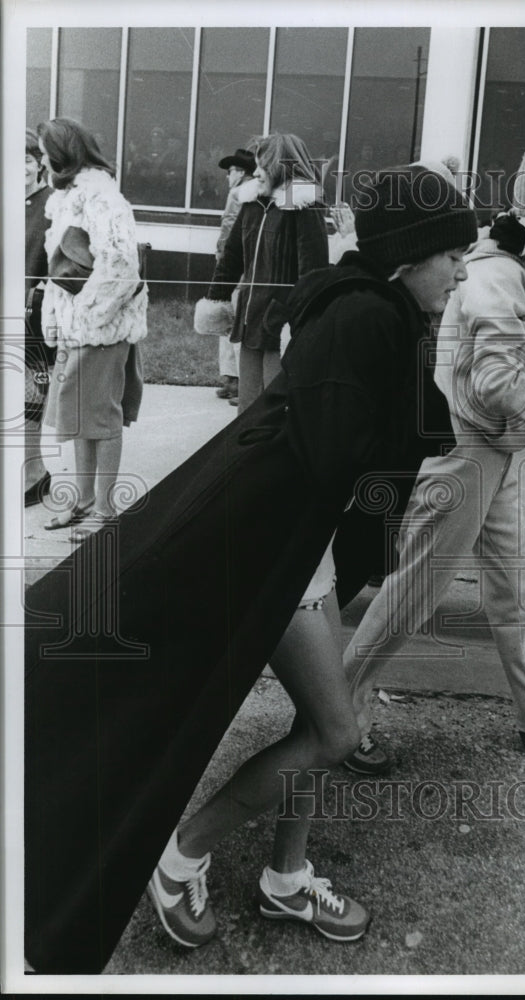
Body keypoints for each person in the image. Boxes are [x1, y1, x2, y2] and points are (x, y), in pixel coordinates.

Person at [24, 165, 477, 972]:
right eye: (452, 254)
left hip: (305, 551)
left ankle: (286, 874)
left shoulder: (368, 305)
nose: (462, 270)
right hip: (285, 557)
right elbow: (337, 452)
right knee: (335, 731)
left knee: (321, 720)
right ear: (410, 257)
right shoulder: (369, 317)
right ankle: (185, 854)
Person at [343, 132, 525, 775]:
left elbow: (494, 361)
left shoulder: (512, 264)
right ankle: (336, 718)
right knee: (414, 595)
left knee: (516, 586)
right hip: (465, 455)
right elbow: (493, 381)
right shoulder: (499, 271)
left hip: (490, 449)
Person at [37, 117, 146, 539]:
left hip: (101, 328)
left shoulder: (101, 196)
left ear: (61, 153)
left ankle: (104, 509)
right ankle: (84, 502)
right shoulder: (69, 196)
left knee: (100, 417)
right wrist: (64, 317)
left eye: (45, 151)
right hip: (78, 324)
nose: (41, 158)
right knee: (80, 416)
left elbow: (121, 264)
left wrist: (89, 315)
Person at [197, 132, 329, 412]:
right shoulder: (252, 203)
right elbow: (232, 258)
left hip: (282, 325)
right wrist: (215, 300)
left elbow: (313, 272)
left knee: (275, 409)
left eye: (261, 165)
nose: (255, 172)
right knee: (247, 408)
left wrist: (303, 325)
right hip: (251, 319)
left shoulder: (305, 205)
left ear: (280, 166)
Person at [24, 127, 55, 507]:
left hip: (33, 315)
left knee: (30, 395)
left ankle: (35, 472)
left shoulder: (51, 204)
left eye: (27, 160)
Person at [213, 147, 256, 406]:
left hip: (235, 262)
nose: (228, 176)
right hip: (244, 261)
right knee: (234, 317)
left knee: (233, 317)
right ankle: (233, 378)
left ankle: (236, 380)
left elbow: (229, 226)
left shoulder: (239, 192)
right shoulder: (253, 190)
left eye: (230, 171)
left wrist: (221, 256)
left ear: (240, 172)